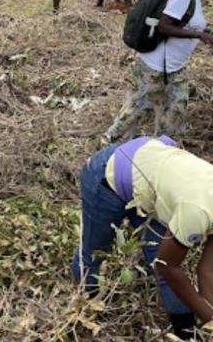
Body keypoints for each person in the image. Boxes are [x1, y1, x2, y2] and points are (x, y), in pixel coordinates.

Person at [73, 135, 213, 339]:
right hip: (109, 173)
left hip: (150, 179)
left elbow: (208, 270)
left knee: (161, 260)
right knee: (93, 255)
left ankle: (186, 334)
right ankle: (88, 315)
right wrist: (209, 316)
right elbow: (167, 266)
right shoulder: (197, 211)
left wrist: (209, 320)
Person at [103, 0, 213, 144]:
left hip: (176, 67)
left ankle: (162, 146)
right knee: (140, 107)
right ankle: (109, 141)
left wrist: (205, 34)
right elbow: (164, 26)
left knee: (177, 108)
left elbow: (189, 24)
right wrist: (199, 35)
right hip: (155, 66)